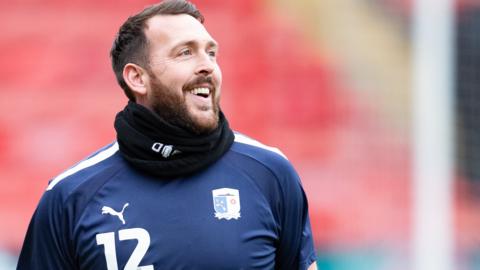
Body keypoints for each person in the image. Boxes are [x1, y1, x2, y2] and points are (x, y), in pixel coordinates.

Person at [17, 0, 317, 269]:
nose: (207, 66)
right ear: (137, 78)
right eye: (185, 52)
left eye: (211, 53)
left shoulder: (270, 173)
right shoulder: (70, 196)